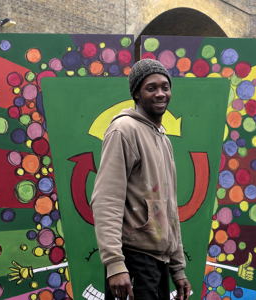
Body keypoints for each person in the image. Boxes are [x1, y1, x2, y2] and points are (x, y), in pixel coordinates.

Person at [91, 59, 191, 300]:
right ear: (136, 93)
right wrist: (115, 265)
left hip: (159, 262)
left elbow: (169, 209)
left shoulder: (162, 138)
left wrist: (177, 268)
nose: (160, 93)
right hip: (134, 259)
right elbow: (106, 200)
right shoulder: (123, 130)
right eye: (151, 87)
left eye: (165, 87)